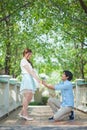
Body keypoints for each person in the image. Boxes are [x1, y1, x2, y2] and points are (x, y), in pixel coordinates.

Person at [19, 48, 41, 120]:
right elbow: (30, 72)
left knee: (30, 96)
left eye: (30, 55)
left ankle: (22, 112)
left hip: (30, 79)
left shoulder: (28, 62)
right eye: (28, 54)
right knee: (27, 96)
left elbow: (33, 71)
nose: (29, 56)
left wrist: (38, 79)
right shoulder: (23, 61)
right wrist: (37, 79)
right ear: (25, 53)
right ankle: (25, 114)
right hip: (27, 78)